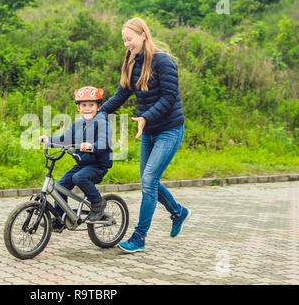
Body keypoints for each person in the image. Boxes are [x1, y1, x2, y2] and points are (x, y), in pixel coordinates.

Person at [99, 17, 191, 253]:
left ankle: (139, 238)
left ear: (143, 35)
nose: (126, 45)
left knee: (149, 181)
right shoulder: (132, 62)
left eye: (129, 39)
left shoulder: (163, 61)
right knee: (148, 181)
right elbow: (121, 95)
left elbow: (169, 97)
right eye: (124, 41)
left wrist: (145, 116)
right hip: (149, 131)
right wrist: (97, 113)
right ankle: (178, 212)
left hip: (169, 130)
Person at [39, 86, 113, 232]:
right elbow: (65, 139)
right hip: (83, 164)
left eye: (91, 105)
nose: (87, 108)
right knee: (59, 187)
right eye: (84, 105)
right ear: (78, 108)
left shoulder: (102, 123)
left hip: (98, 165)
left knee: (79, 178)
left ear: (98, 107)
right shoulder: (77, 125)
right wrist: (49, 140)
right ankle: (60, 219)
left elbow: (104, 141)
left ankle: (97, 203)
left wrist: (92, 146)